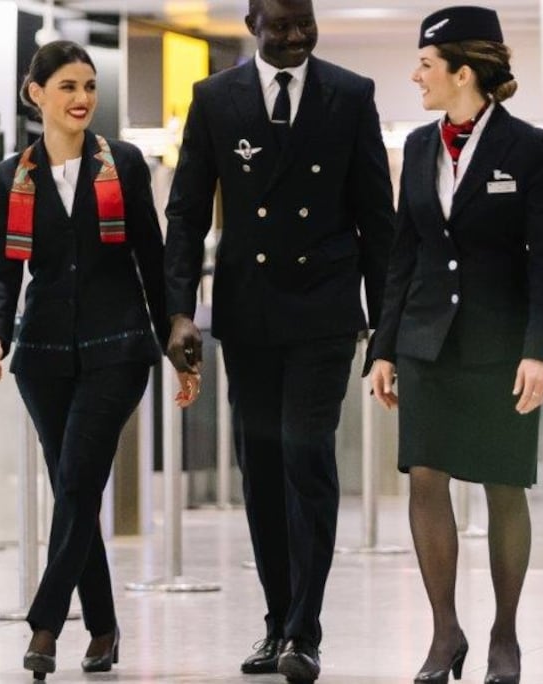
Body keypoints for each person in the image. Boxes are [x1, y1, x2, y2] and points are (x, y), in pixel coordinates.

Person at [164, 0, 395, 680]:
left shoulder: (351, 95)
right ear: (252, 26)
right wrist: (180, 312)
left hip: (324, 311)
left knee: (306, 454)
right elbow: (184, 214)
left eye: (306, 23)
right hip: (249, 313)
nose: (297, 37)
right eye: (282, 26)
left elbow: (376, 220)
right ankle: (275, 622)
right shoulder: (215, 99)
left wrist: (384, 330)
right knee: (260, 469)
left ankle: (305, 630)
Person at [368, 7, 543, 684]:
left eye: (426, 65)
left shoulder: (528, 147)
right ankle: (444, 632)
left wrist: (539, 350)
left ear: (462, 71)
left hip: (501, 347)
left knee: (503, 486)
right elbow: (405, 253)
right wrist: (384, 348)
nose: (415, 76)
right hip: (427, 342)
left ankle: (505, 636)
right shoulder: (420, 146)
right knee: (426, 478)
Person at [0, 40, 168, 680]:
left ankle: (44, 625)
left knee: (80, 481)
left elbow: (152, 256)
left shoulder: (126, 164)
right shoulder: (14, 175)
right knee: (73, 491)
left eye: (89, 85)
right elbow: (1, 269)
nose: (83, 98)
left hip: (118, 349)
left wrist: (176, 336)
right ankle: (105, 627)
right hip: (43, 356)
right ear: (36, 94)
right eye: (67, 86)